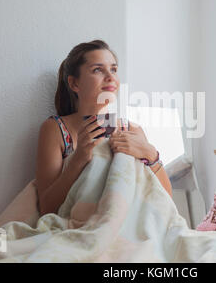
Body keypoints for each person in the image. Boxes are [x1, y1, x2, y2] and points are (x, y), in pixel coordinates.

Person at [35, 39, 172, 216]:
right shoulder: (55, 130)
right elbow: (46, 208)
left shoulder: (132, 130)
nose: (111, 77)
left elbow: (165, 201)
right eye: (98, 70)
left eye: (113, 69)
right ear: (74, 84)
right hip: (81, 224)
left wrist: (150, 154)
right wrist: (78, 159)